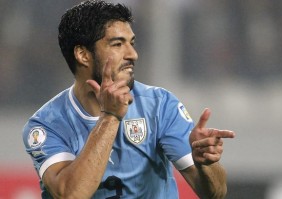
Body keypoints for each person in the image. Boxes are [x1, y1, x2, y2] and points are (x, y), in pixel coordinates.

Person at [22, 1, 235, 198]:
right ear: (83, 55)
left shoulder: (159, 105)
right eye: (117, 44)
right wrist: (110, 117)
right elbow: (71, 194)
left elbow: (215, 193)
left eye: (131, 43)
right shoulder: (46, 125)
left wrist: (205, 165)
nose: (133, 54)